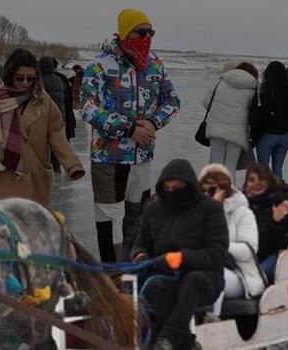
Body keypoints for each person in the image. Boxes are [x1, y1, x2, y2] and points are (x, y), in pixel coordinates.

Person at [81, 8, 180, 262]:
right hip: (108, 157)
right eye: (141, 32)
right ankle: (112, 271)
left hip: (142, 156)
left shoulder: (155, 65)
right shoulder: (100, 66)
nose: (147, 37)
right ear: (125, 33)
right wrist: (128, 128)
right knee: (110, 216)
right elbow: (89, 108)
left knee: (137, 215)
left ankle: (134, 266)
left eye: (151, 32)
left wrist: (152, 123)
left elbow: (172, 101)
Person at [0, 48, 85, 205]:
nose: (25, 83)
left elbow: (56, 132)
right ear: (9, 75)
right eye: (19, 78)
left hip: (34, 171)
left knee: (32, 224)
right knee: (6, 224)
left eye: (30, 78)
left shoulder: (43, 100)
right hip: (1, 173)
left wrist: (71, 164)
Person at [132, 159, 228, 350]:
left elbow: (216, 254)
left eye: (176, 187)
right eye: (167, 188)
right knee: (155, 289)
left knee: (192, 283)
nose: (172, 192)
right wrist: (140, 255)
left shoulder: (210, 209)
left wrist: (183, 258)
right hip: (164, 274)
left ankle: (168, 338)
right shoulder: (154, 210)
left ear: (189, 186)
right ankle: (166, 342)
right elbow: (139, 243)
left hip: (206, 276)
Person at [199, 164, 265, 300]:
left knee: (208, 277)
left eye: (211, 190)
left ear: (224, 190)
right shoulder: (199, 215)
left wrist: (219, 248)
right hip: (207, 268)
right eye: (203, 191)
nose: (206, 195)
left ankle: (211, 318)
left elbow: (249, 250)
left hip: (240, 274)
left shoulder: (243, 213)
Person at [203, 61, 258, 183]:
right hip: (238, 132)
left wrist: (219, 111)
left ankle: (213, 194)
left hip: (216, 128)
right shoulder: (252, 88)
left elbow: (207, 102)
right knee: (230, 166)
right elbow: (253, 112)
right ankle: (228, 195)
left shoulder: (221, 81)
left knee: (216, 164)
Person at [243, 163, 288, 283]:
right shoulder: (244, 203)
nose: (256, 183)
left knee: (253, 279)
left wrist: (275, 222)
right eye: (251, 180)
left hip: (273, 255)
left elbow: (281, 242)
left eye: (261, 180)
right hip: (248, 255)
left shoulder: (279, 203)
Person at [252, 61, 288, 179]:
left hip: (267, 135)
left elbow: (259, 113)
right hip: (284, 136)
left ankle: (266, 195)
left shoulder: (264, 90)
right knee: (278, 169)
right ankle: (278, 193)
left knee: (263, 170)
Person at [39, 56, 72, 172]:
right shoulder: (58, 80)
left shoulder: (41, 81)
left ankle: (48, 169)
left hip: (47, 117)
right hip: (60, 115)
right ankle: (57, 166)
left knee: (46, 144)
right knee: (56, 142)